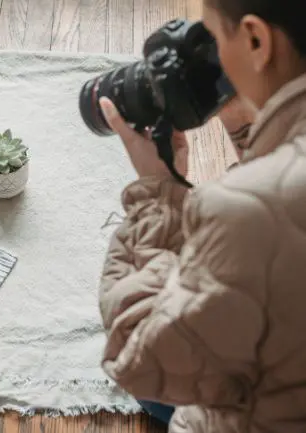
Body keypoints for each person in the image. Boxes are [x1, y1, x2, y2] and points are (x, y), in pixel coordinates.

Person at [96, 0, 306, 431]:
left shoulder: (239, 213)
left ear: (255, 40)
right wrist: (247, 125)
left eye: (213, 37)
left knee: (150, 391)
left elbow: (138, 352)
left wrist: (157, 194)